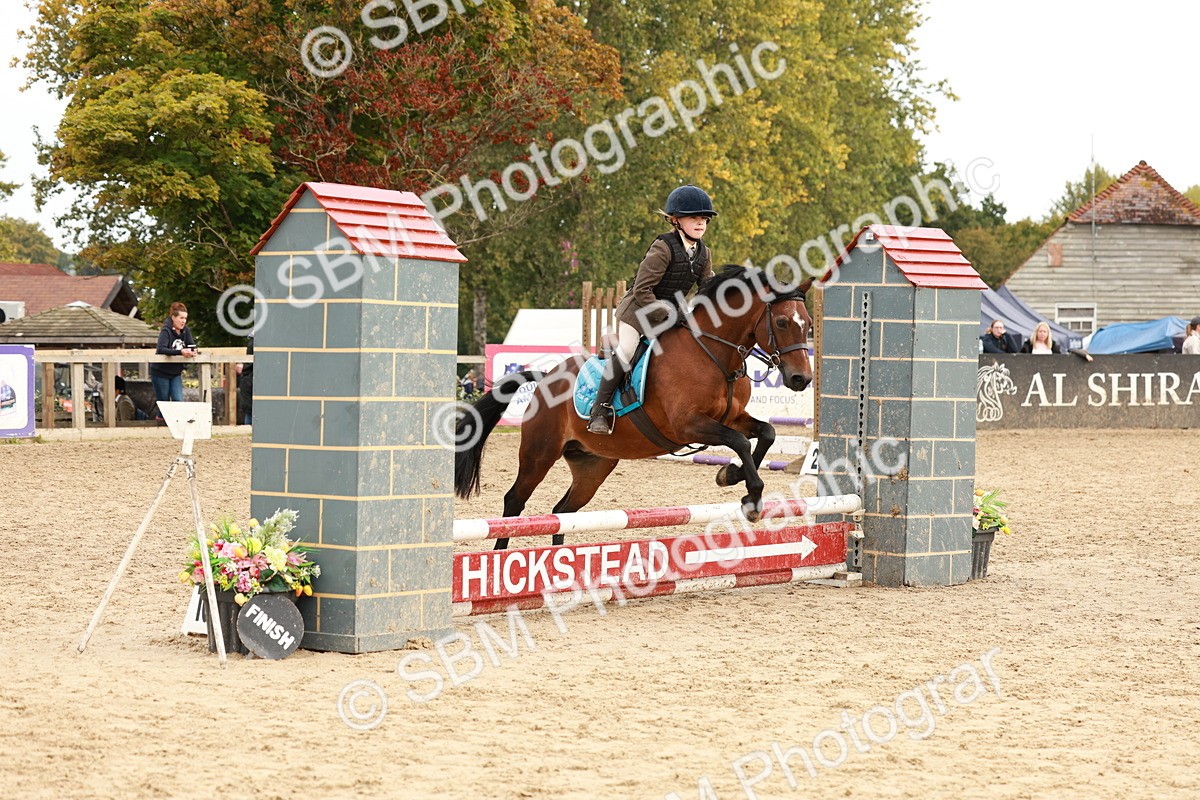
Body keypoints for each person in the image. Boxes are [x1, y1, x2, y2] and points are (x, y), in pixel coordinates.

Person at [588, 185, 716, 435]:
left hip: (673, 313)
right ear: (676, 220)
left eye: (704, 219)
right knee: (626, 350)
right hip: (638, 311)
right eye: (693, 218)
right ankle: (599, 410)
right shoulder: (663, 248)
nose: (700, 223)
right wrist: (671, 314)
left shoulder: (704, 253)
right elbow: (642, 291)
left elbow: (708, 287)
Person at [150, 302, 198, 416]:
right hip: (160, 372)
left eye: (185, 318)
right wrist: (180, 352)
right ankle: (161, 426)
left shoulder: (186, 331)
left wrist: (194, 351)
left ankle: (177, 428)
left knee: (178, 401)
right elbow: (161, 349)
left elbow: (191, 344)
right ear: (173, 317)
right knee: (164, 403)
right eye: (181, 318)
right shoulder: (166, 331)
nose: (183, 321)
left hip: (175, 372)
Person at [237, 336, 254, 425]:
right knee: (250, 412)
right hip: (249, 381)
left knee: (249, 412)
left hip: (247, 380)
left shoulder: (252, 341)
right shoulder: (255, 342)